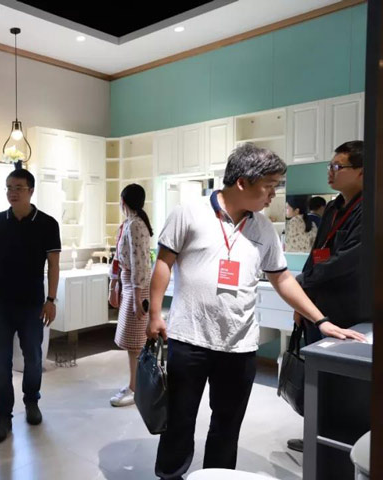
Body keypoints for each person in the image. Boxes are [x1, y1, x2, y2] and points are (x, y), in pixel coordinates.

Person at [147, 143, 366, 479]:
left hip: (240, 346)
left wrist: (320, 320)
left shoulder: (262, 227)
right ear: (242, 183)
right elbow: (163, 263)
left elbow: (282, 278)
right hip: (189, 339)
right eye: (269, 186)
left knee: (227, 426)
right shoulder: (188, 213)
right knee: (179, 420)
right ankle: (170, 475)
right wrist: (154, 314)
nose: (273, 195)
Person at [287, 140, 366, 453]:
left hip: (346, 311)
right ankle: (314, 435)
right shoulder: (333, 208)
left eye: (337, 166)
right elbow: (316, 253)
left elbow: (349, 259)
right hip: (317, 307)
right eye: (330, 166)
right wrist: (301, 295)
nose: (330, 172)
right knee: (315, 377)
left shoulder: (368, 209)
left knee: (342, 384)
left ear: (361, 171)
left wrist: (304, 281)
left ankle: (340, 444)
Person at [0, 167, 61, 444]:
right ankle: (3, 417)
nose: (12, 192)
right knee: (0, 363)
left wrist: (51, 300)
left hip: (33, 304)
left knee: (33, 359)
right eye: (9, 187)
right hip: (0, 305)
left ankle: (31, 401)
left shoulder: (47, 223)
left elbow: (53, 265)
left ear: (31, 191)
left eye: (18, 188)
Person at [108, 184, 153, 407]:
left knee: (135, 342)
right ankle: (135, 385)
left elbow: (139, 263)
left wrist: (136, 297)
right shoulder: (129, 224)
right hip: (130, 284)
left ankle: (136, 388)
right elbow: (120, 258)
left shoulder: (135, 225)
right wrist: (113, 285)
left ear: (123, 202)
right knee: (131, 341)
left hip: (137, 286)